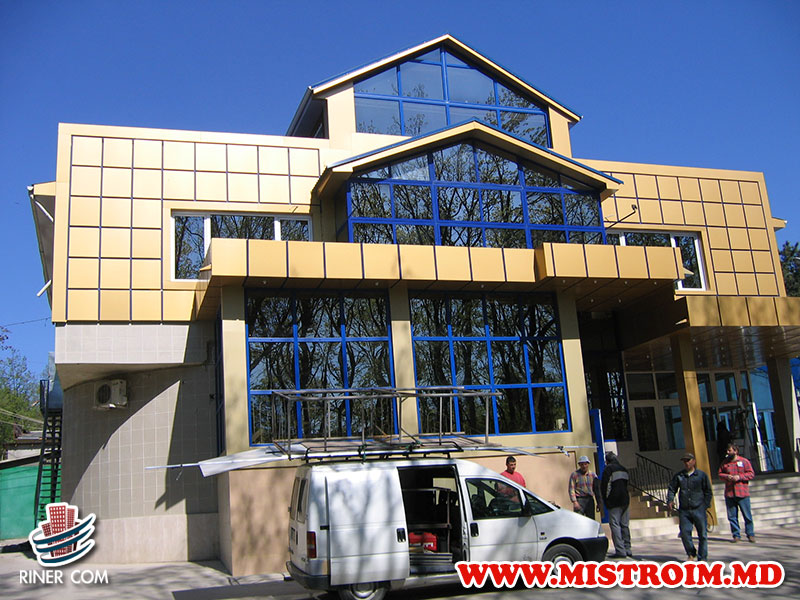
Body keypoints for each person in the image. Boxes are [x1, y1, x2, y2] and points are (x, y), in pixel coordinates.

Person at [667, 452, 713, 561]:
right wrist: (670, 500)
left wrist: (705, 505)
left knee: (702, 534)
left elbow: (708, 491)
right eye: (684, 461)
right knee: (685, 533)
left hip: (698, 508)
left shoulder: (701, 476)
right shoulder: (679, 476)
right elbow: (672, 488)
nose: (686, 463)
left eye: (688, 461)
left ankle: (702, 557)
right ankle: (691, 553)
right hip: (685, 510)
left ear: (693, 461)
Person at [718, 443, 756, 543]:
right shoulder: (725, 463)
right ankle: (736, 535)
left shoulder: (744, 461)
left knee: (747, 515)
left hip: (742, 493)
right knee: (732, 516)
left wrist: (740, 477)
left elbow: (751, 474)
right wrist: (727, 477)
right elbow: (720, 474)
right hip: (730, 494)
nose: (728, 452)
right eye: (727, 450)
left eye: (730, 450)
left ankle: (750, 534)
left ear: (736, 451)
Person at [602, 451, 632, 558]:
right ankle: (628, 548)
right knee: (625, 525)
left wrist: (606, 501)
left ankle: (620, 550)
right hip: (625, 500)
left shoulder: (608, 469)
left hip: (614, 501)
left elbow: (605, 487)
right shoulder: (624, 469)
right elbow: (627, 485)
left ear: (607, 460)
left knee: (615, 525)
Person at [568, 455, 600, 520]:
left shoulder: (593, 475)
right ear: (579, 465)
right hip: (579, 500)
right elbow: (571, 489)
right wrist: (575, 502)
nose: (584, 466)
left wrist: (599, 503)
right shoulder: (575, 475)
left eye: (585, 464)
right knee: (579, 520)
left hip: (590, 500)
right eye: (582, 464)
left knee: (591, 520)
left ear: (588, 464)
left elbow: (597, 490)